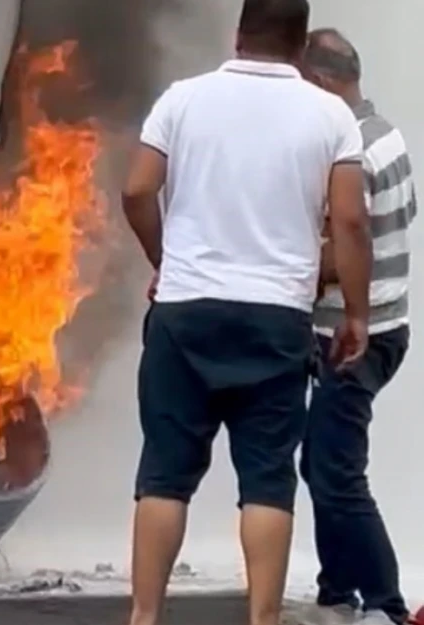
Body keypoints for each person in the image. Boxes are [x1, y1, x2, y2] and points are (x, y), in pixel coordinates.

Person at [120, 0, 374, 624]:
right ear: (298, 45)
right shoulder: (331, 115)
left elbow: (136, 189)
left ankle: (144, 617)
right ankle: (262, 619)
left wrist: (166, 259)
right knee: (266, 479)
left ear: (239, 34)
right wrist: (358, 316)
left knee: (164, 473)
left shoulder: (183, 99)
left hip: (185, 311)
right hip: (275, 319)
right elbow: (348, 220)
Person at [299, 28, 418, 625]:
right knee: (320, 461)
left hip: (355, 335)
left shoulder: (353, 152)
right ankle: (336, 591)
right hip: (385, 326)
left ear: (321, 84)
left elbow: (347, 246)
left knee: (337, 471)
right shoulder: (386, 134)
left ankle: (385, 607)